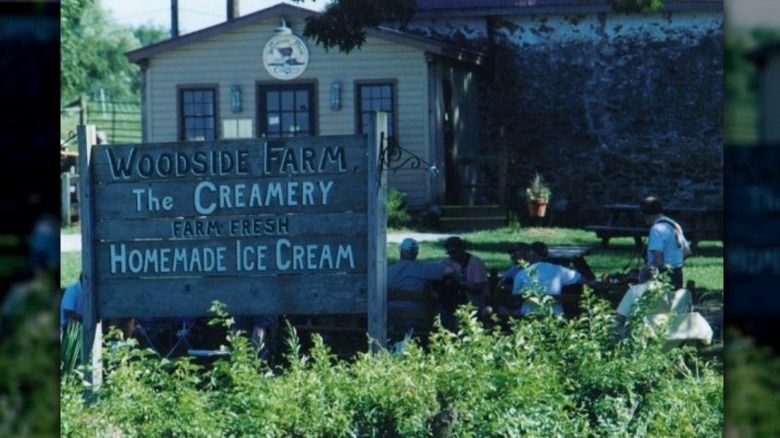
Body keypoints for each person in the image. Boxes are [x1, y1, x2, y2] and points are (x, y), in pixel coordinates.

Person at [386, 237, 455, 332]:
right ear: (416, 252)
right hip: (420, 320)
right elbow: (450, 271)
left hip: (391, 319)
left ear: (400, 251)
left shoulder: (387, 271)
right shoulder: (424, 268)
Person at [512, 241, 586, 317]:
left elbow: (515, 298)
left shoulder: (521, 274)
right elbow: (583, 279)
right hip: (555, 314)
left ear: (531, 256)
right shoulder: (558, 270)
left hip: (529, 316)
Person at [639, 195, 691, 289]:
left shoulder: (656, 229)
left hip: (663, 276)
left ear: (645, 215)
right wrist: (674, 262)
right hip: (678, 272)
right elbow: (687, 252)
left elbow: (658, 259)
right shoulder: (675, 225)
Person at [440, 236, 490, 323]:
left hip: (472, 303)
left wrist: (458, 279)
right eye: (450, 253)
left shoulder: (475, 262)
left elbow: (479, 289)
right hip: (451, 302)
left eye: (455, 252)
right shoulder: (446, 263)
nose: (452, 255)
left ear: (462, 249)